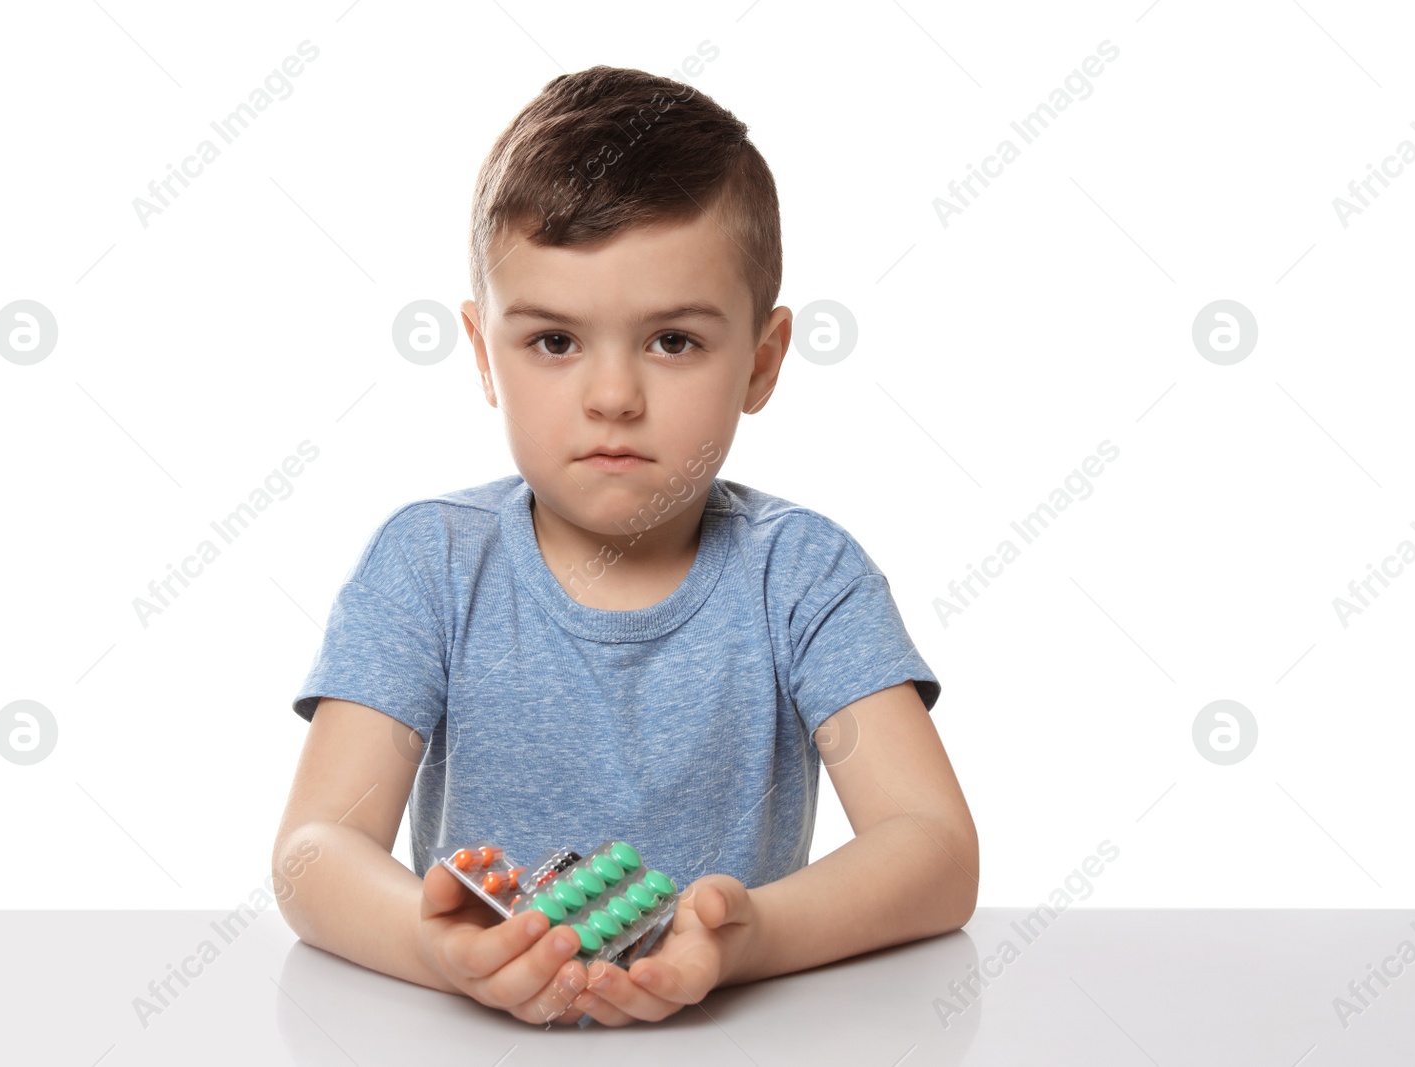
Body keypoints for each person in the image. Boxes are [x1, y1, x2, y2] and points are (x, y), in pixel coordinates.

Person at [272, 64, 977, 1028]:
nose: (613, 396)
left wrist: (751, 937)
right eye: (555, 341)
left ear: (761, 363)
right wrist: (437, 946)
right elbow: (313, 852)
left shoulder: (804, 575)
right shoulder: (430, 565)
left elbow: (934, 848)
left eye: (673, 342)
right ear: (484, 354)